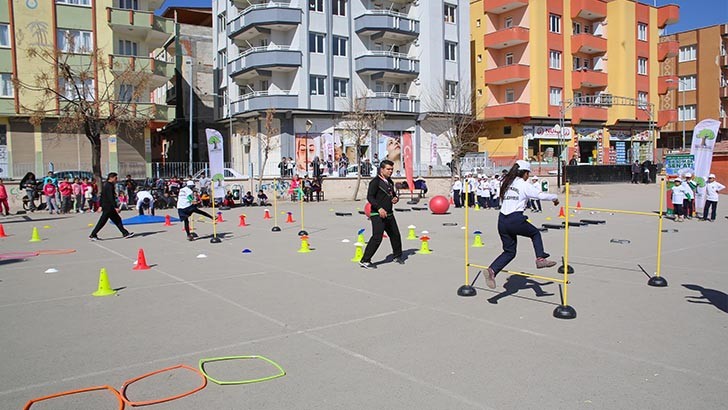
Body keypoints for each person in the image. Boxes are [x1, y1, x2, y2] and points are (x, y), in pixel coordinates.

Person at [483, 160, 559, 289]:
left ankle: (492, 270)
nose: (528, 176)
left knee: (509, 252)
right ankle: (540, 259)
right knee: (535, 233)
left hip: (502, 221)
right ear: (524, 173)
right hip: (515, 219)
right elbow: (539, 195)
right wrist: (554, 197)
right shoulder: (523, 185)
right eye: (528, 173)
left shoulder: (507, 183)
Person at [359, 160, 404, 269]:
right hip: (377, 213)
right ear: (381, 169)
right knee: (377, 237)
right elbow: (370, 197)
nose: (390, 171)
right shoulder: (375, 182)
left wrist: (395, 198)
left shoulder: (390, 182)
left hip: (389, 213)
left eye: (391, 169)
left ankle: (397, 255)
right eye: (388, 169)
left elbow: (392, 194)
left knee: (395, 235)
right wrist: (379, 208)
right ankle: (365, 260)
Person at [89, 173, 134, 240]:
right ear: (111, 178)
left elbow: (102, 195)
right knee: (102, 221)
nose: (116, 180)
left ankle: (125, 233)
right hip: (108, 206)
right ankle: (93, 234)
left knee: (117, 219)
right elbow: (111, 197)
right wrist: (115, 207)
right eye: (115, 178)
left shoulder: (106, 184)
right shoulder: (109, 186)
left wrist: (101, 205)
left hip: (107, 205)